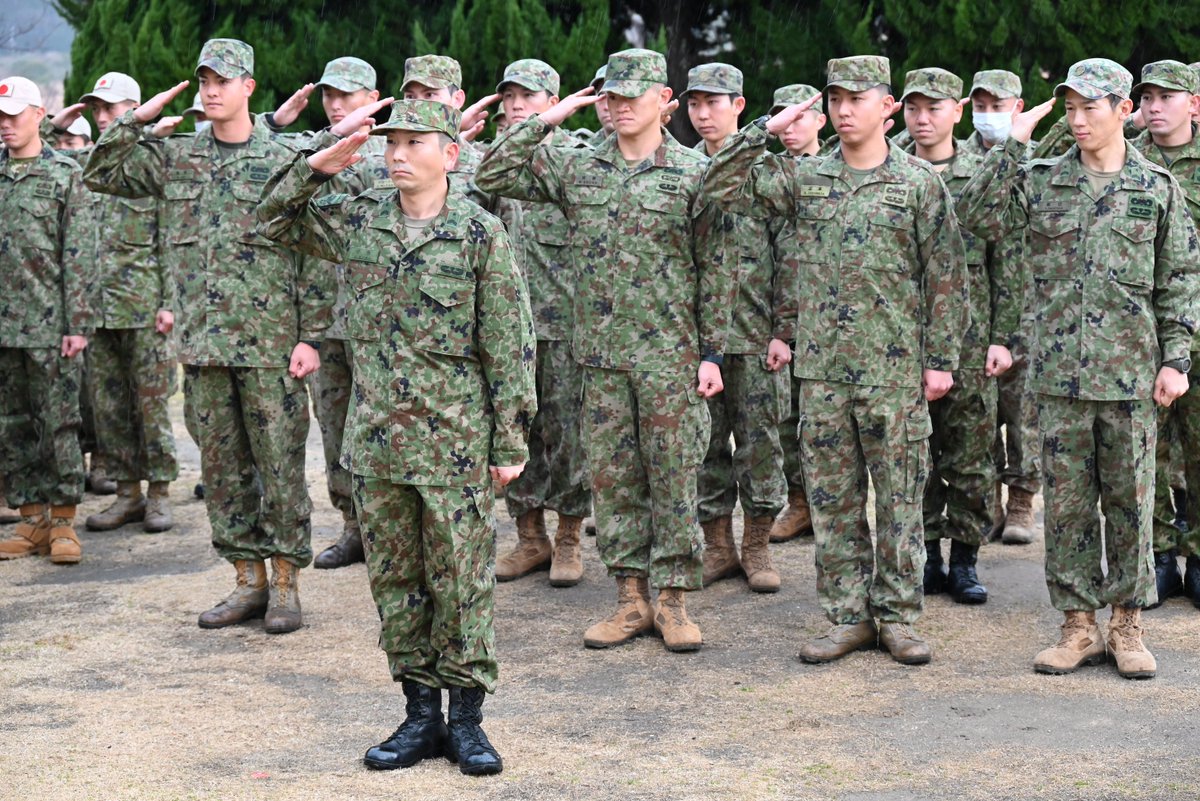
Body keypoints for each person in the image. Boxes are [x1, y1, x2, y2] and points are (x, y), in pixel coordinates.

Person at [258, 98, 536, 776]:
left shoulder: (479, 233)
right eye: (390, 143)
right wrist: (323, 158)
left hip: (456, 445)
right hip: (379, 446)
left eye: (414, 142)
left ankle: (467, 722)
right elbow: (270, 214)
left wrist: (509, 441)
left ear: (451, 153)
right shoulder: (359, 224)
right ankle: (419, 715)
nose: (397, 154)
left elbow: (508, 343)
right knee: (397, 582)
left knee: (461, 582)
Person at [703, 55, 968, 666]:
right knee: (833, 500)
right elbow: (718, 184)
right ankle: (847, 616)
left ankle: (898, 617)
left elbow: (948, 279)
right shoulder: (805, 177)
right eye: (834, 99)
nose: (843, 110)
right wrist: (761, 134)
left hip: (893, 373)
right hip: (822, 376)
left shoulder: (919, 183)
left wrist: (940, 360)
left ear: (887, 105)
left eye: (857, 98)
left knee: (900, 500)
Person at [477, 48, 736, 652]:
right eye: (609, 96)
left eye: (630, 96)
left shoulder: (695, 173)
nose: (617, 107)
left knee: (672, 478)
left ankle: (672, 602)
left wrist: (712, 353)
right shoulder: (578, 167)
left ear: (664, 101)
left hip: (671, 358)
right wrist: (546, 121)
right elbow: (490, 175)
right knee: (616, 484)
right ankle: (629, 599)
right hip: (600, 358)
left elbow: (718, 268)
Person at [958, 58, 1200, 680]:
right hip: (1059, 379)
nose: (1077, 118)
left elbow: (1177, 282)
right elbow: (974, 217)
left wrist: (1177, 358)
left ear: (1124, 109)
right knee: (1066, 506)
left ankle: (1126, 625)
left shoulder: (1155, 188)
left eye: (1090, 106)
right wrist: (1010, 148)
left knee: (1130, 503)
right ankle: (1076, 625)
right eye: (1070, 106)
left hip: (1131, 379)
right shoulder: (1041, 181)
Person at [84, 39, 332, 634]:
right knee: (221, 472)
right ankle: (247, 581)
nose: (211, 90)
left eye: (223, 80)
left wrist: (313, 336)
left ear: (249, 85)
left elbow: (319, 255)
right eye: (204, 81)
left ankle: (286, 586)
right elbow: (100, 170)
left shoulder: (284, 157)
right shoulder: (178, 158)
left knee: (279, 468)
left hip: (271, 345)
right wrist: (138, 120)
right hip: (204, 349)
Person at [899, 68, 1018, 606]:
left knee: (971, 457)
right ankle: (925, 553)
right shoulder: (887, 165)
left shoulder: (984, 170)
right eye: (913, 109)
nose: (922, 119)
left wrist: (1003, 338)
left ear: (958, 110)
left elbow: (1007, 261)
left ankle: (966, 559)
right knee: (915, 454)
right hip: (902, 338)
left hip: (971, 342)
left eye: (933, 108)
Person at [46, 72, 182, 535]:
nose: (103, 118)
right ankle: (127, 493)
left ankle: (160, 493)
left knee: (151, 404)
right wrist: (49, 125)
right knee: (108, 407)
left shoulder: (154, 162)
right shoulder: (83, 165)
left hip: (145, 308)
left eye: (111, 109)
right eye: (97, 110)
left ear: (135, 109)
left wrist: (169, 302)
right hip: (97, 310)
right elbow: (28, 155)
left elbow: (172, 237)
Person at [266, 56, 387, 570]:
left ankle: (388, 526)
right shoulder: (309, 151)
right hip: (325, 319)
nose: (337, 103)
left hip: (380, 319)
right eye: (330, 95)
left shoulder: (393, 153)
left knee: (385, 425)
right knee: (335, 427)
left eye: (348, 94)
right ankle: (353, 525)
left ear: (373, 96)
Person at [487, 59, 594, 587]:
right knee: (514, 434)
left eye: (527, 96)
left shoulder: (576, 158)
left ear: (554, 100)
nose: (515, 104)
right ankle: (530, 538)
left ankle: (570, 537)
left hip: (567, 325)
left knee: (569, 436)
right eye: (509, 97)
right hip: (511, 329)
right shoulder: (502, 162)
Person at [685, 62, 785, 593]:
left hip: (755, 331)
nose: (704, 115)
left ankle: (758, 546)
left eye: (715, 104)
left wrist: (783, 330)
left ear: (739, 107)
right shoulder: (683, 169)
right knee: (705, 446)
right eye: (696, 104)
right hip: (701, 338)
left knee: (760, 445)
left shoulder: (768, 171)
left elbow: (789, 253)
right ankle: (719, 547)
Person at [0, 76, 92, 564]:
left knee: (59, 424)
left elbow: (78, 253)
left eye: (15, 114)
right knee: (11, 425)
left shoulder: (64, 174)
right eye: (0, 117)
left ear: (40, 115)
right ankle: (31, 519)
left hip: (50, 324)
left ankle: (63, 522)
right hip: (3, 328)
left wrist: (77, 324)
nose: (6, 124)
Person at [1129, 60, 1200, 609]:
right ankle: (1154, 558)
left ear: (1194, 104)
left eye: (1167, 96)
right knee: (1144, 454)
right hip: (1142, 338)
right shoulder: (1127, 162)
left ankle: (1196, 556)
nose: (1154, 106)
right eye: (1146, 96)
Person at [964, 69, 1042, 546]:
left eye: (1000, 106)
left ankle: (1021, 500)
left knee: (1024, 411)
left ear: (1019, 106)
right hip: (975, 311)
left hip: (1029, 309)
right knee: (980, 412)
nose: (990, 115)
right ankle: (988, 498)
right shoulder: (960, 161)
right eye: (983, 106)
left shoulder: (1038, 164)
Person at [767, 83, 825, 545]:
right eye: (783, 118)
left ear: (820, 120)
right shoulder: (768, 171)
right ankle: (799, 501)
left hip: (825, 313)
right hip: (775, 313)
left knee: (827, 419)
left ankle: (826, 504)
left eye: (800, 116)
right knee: (785, 418)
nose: (790, 125)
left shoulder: (831, 172)